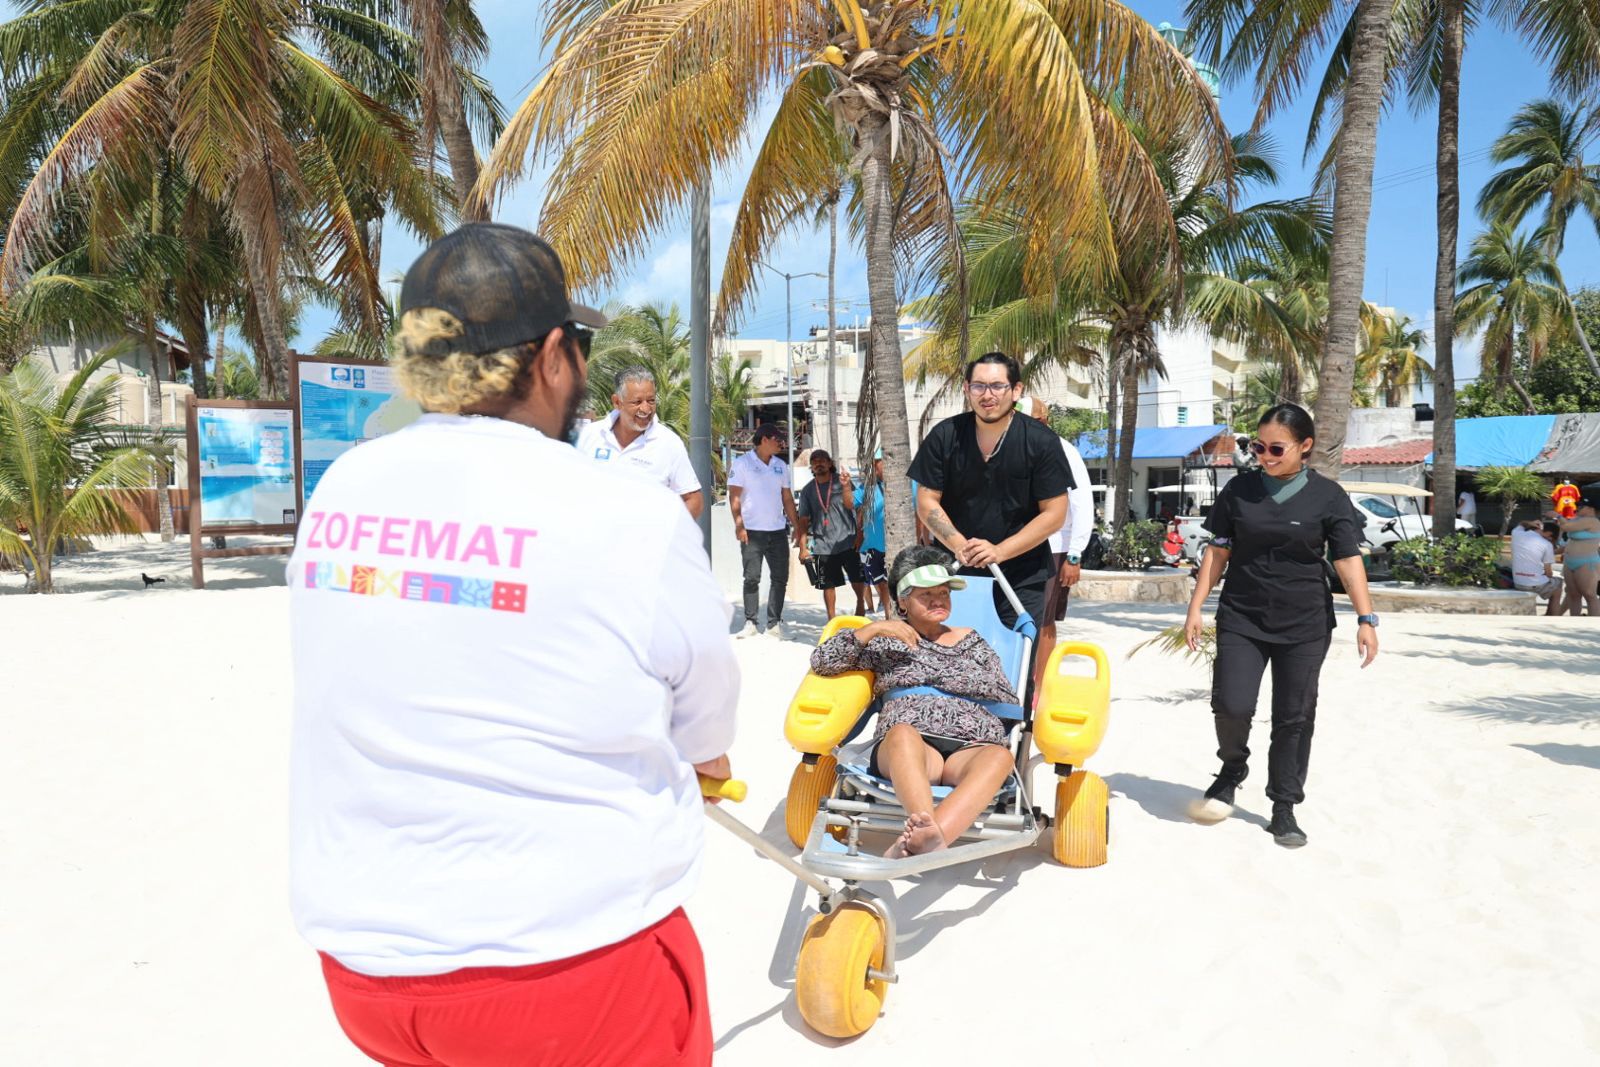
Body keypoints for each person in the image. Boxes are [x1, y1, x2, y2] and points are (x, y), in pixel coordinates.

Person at [287, 223, 738, 1067]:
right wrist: (704, 760)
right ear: (555, 355)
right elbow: (706, 707)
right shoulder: (628, 515)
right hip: (565, 967)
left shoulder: (343, 489)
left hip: (365, 970)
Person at [1183, 404, 1379, 850]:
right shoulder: (1240, 489)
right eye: (1258, 447)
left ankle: (1283, 805)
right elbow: (1217, 551)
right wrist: (1196, 606)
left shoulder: (1328, 496)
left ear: (1305, 446)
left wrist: (1366, 618)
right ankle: (1233, 768)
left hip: (1305, 622)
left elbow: (1347, 559)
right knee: (1231, 705)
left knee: (1294, 717)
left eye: (1276, 448)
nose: (1265, 456)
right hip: (1242, 617)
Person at [809, 546, 1020, 857]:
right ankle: (923, 825)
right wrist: (873, 629)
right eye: (927, 594)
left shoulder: (972, 638)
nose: (939, 600)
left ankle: (927, 838)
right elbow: (823, 661)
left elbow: (1005, 696)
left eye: (944, 593)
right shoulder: (884, 640)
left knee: (1000, 757)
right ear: (902, 601)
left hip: (972, 744)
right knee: (902, 733)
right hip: (913, 745)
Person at [910, 353, 1071, 635]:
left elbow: (1055, 513)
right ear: (966, 389)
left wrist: (999, 551)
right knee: (949, 661)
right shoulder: (945, 435)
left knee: (1015, 665)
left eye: (998, 386)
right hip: (953, 574)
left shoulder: (1041, 441)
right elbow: (926, 501)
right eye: (979, 386)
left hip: (1022, 575)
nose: (988, 395)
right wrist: (959, 545)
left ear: (1016, 390)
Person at [1026, 398, 1092, 696]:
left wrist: (1075, 555)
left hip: (1054, 547)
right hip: (1017, 546)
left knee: (1044, 621)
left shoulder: (1064, 451)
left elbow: (1082, 504)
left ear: (1043, 421)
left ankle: (1041, 689)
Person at [576, 365, 703, 518]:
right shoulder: (588, 436)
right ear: (617, 402)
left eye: (651, 401)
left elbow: (693, 499)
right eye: (637, 402)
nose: (646, 409)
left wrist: (669, 536)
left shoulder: (669, 443)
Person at [729, 424, 800, 638]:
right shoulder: (742, 464)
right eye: (777, 439)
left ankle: (774, 625)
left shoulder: (781, 465)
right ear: (764, 440)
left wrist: (797, 526)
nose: (781, 443)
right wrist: (739, 525)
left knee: (780, 578)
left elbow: (787, 498)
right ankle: (750, 623)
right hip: (751, 532)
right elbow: (734, 497)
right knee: (752, 578)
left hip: (778, 531)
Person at [796, 449, 867, 619]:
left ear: (830, 463)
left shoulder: (842, 483)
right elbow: (803, 521)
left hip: (848, 540)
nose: (818, 463)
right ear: (811, 467)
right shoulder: (807, 491)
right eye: (814, 461)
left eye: (822, 460)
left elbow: (859, 507)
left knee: (857, 579)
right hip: (822, 544)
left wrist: (859, 533)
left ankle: (860, 604)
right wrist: (803, 548)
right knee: (827, 585)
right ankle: (831, 618)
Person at [855, 450, 893, 620]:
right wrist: (858, 537)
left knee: (891, 585)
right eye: (876, 463)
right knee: (874, 583)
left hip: (894, 544)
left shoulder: (906, 483)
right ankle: (882, 613)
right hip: (869, 546)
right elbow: (859, 515)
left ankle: (886, 613)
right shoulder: (867, 489)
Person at [1558, 485, 1600, 616]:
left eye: (1581, 506)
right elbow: (1564, 528)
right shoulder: (1577, 519)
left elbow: (1566, 526)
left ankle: (1595, 624)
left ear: (1590, 509)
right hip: (1570, 560)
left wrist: (1557, 516)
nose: (1577, 508)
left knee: (1589, 595)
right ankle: (1575, 621)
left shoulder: (1593, 521)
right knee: (1572, 594)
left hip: (1586, 562)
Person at [1510, 520, 1565, 615]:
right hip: (1534, 584)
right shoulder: (1546, 544)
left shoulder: (1517, 533)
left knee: (1548, 582)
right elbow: (1549, 572)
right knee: (1558, 587)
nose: (1550, 540)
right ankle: (1553, 617)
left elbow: (1521, 523)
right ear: (1549, 533)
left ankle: (1549, 614)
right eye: (1551, 538)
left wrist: (1531, 523)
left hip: (1518, 581)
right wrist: (1548, 576)